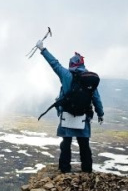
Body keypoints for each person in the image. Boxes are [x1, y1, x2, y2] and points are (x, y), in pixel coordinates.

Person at [36, 41, 104, 173]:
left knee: (65, 144)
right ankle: (87, 171)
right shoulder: (89, 80)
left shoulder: (66, 75)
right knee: (84, 145)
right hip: (83, 117)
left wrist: (42, 49)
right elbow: (96, 99)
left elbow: (54, 64)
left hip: (67, 116)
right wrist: (100, 114)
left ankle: (65, 170)